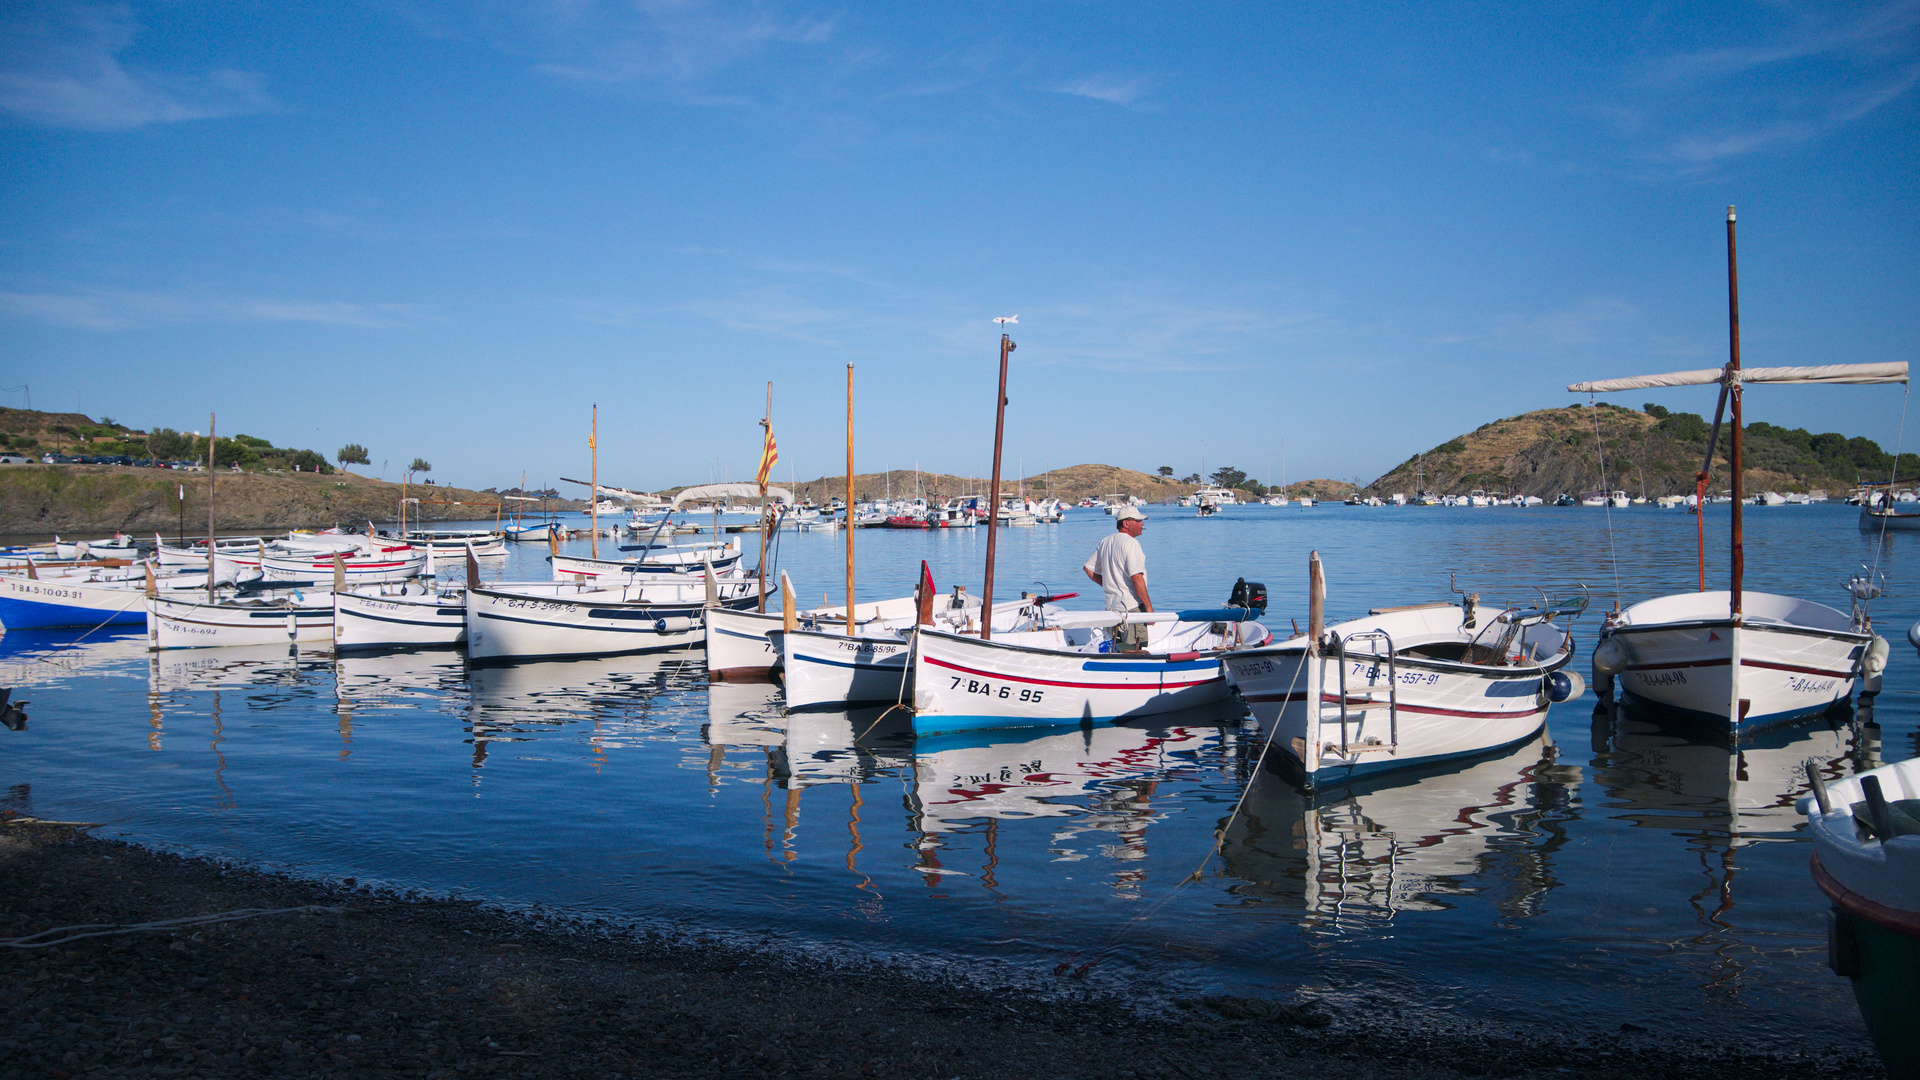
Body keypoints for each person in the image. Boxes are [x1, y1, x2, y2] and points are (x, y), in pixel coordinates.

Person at [1083, 506, 1153, 651]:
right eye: (1138, 520)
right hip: (1131, 607)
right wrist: (1148, 608)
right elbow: (1137, 578)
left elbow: (1088, 569)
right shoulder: (1131, 543)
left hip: (1111, 609)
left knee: (1115, 649)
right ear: (1126, 523)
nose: (1142, 523)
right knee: (1136, 650)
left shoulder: (1106, 541)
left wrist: (1108, 585)